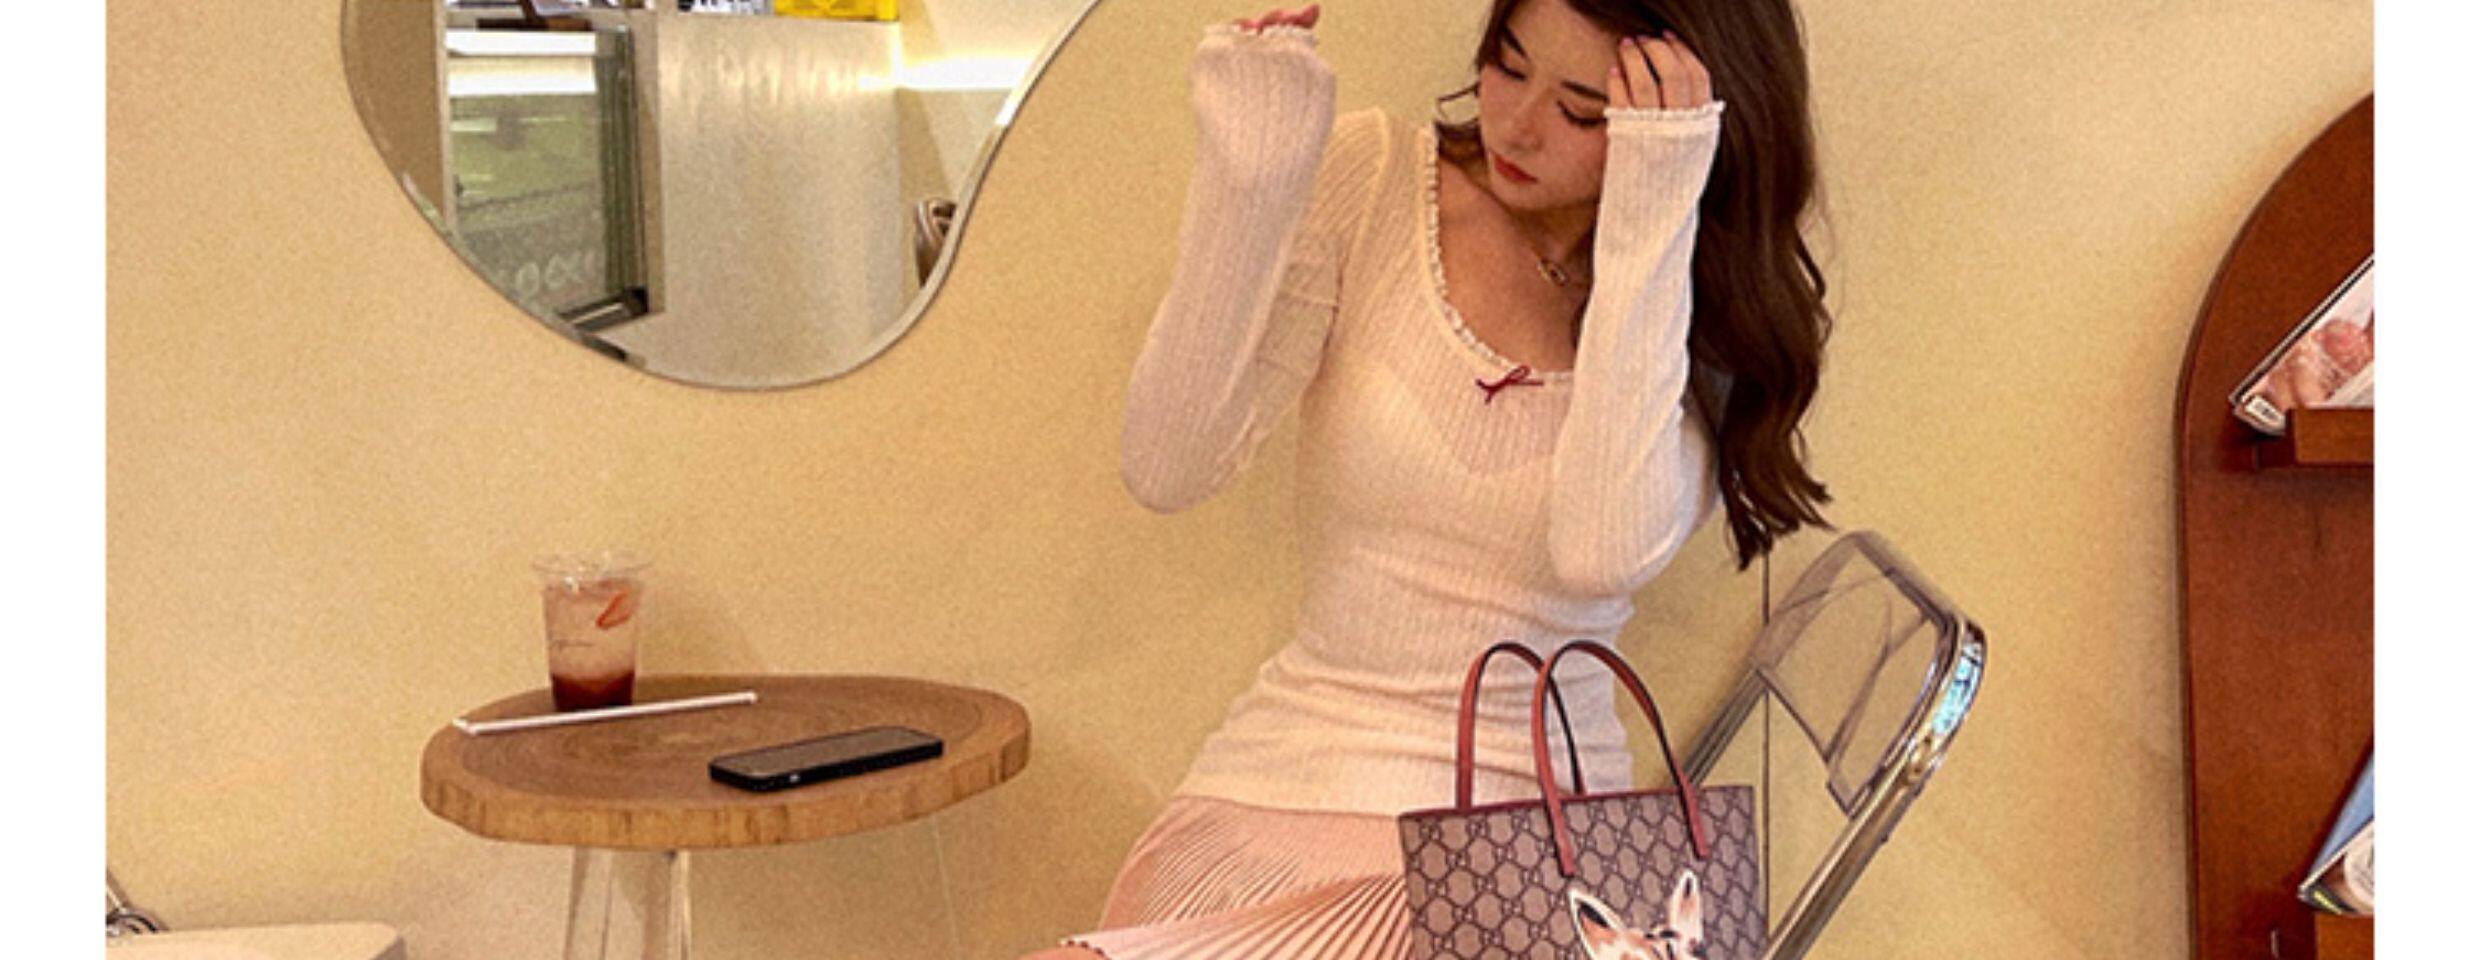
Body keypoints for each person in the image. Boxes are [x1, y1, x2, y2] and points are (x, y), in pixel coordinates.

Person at [1028, 0, 1832, 956]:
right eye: (1508, 66)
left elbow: (1600, 548)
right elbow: (1169, 466)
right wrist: (1252, 177)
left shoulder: (1703, 303)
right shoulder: (1375, 179)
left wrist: (1654, 208)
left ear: (1687, 124)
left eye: (1581, 110)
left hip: (1535, 860)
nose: (1516, 126)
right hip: (1285, 788)